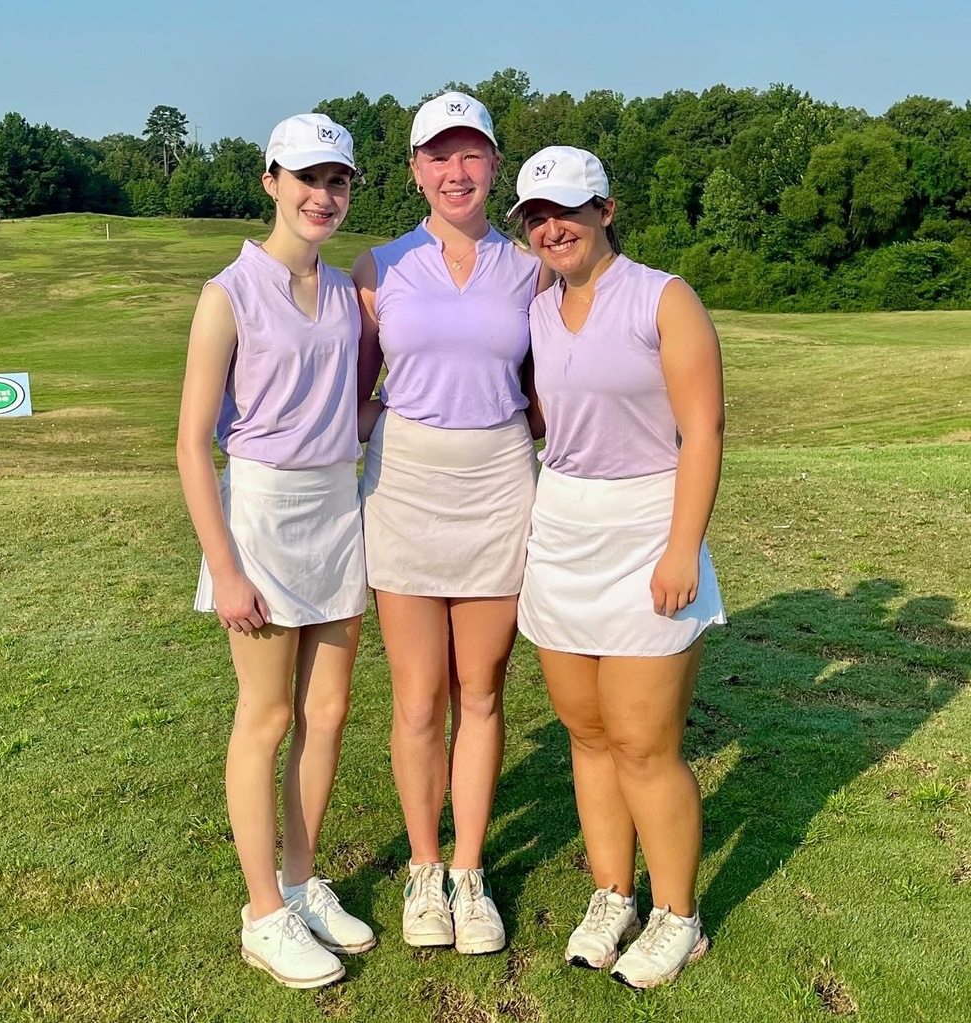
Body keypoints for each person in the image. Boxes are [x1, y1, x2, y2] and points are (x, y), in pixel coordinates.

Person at [508, 145, 727, 988]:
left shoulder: (663, 298)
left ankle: (678, 916)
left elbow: (702, 430)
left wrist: (681, 546)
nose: (551, 227)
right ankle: (612, 894)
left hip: (647, 526)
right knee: (589, 734)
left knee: (644, 742)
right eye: (535, 215)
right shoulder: (538, 308)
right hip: (562, 525)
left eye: (566, 208)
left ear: (605, 208)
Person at [176, 113, 375, 990]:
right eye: (307, 178)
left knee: (326, 712)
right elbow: (190, 443)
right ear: (270, 180)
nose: (322, 195)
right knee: (266, 718)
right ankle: (263, 912)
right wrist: (223, 565)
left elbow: (355, 401)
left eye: (337, 181)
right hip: (260, 511)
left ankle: (300, 881)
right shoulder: (229, 293)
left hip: (339, 505)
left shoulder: (344, 292)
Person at [352, 92, 548, 954]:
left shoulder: (530, 268)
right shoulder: (379, 266)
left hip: (499, 480)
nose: (455, 171)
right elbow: (356, 393)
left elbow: (552, 389)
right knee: (419, 696)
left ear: (495, 166)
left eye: (471, 155)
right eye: (438, 156)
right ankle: (424, 870)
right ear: (415, 170)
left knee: (483, 689)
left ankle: (469, 871)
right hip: (406, 485)